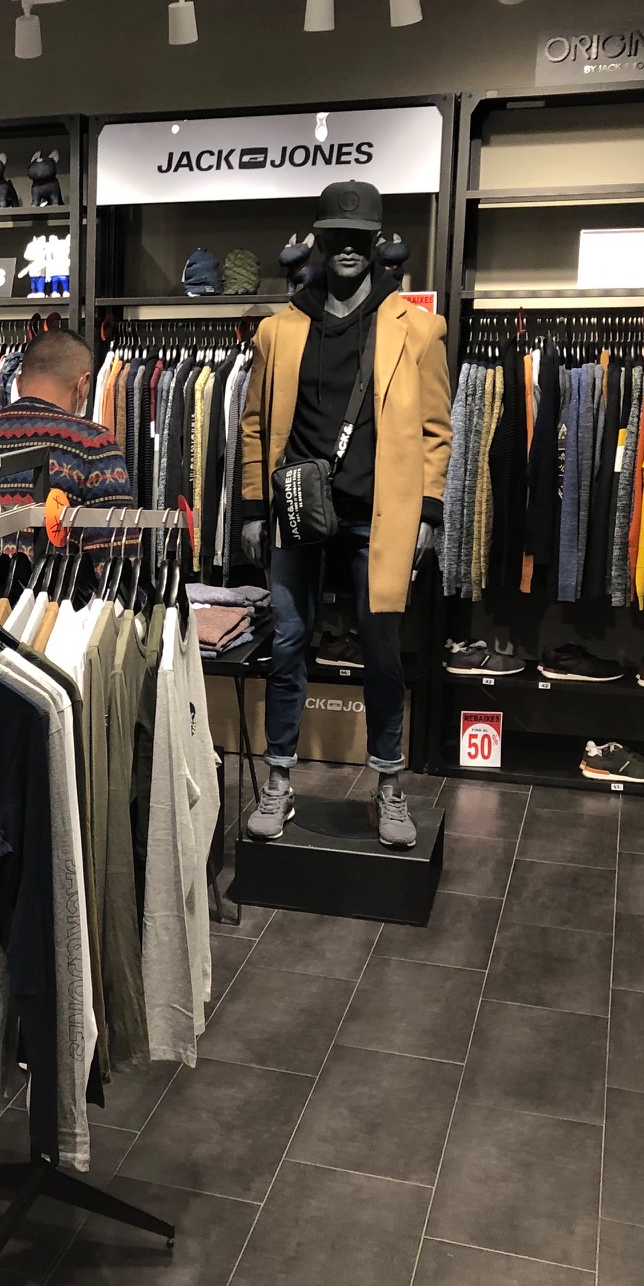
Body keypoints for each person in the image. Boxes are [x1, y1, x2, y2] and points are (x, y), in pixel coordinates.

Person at [237, 180, 451, 849]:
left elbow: (436, 429)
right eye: (337, 238)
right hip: (297, 507)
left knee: (382, 651)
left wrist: (430, 512)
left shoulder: (418, 328)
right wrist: (252, 507)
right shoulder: (279, 331)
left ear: (377, 244)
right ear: (320, 242)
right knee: (288, 644)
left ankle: (389, 785)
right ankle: (279, 780)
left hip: (377, 515)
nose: (348, 250)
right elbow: (253, 425)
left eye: (360, 239)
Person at [0, 328, 133, 550]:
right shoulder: (93, 445)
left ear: (17, 382)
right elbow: (116, 551)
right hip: (52, 573)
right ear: (83, 385)